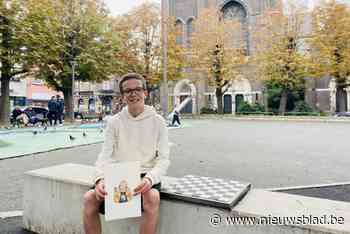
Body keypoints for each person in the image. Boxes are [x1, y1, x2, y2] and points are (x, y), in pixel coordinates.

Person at [83, 73, 170, 234]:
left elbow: (164, 159)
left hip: (146, 175)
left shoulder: (158, 122)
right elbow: (105, 155)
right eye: (127, 91)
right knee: (89, 198)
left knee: (152, 197)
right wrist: (99, 179)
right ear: (122, 96)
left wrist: (150, 179)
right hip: (119, 175)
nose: (133, 93)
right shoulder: (114, 122)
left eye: (137, 89)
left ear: (145, 93)